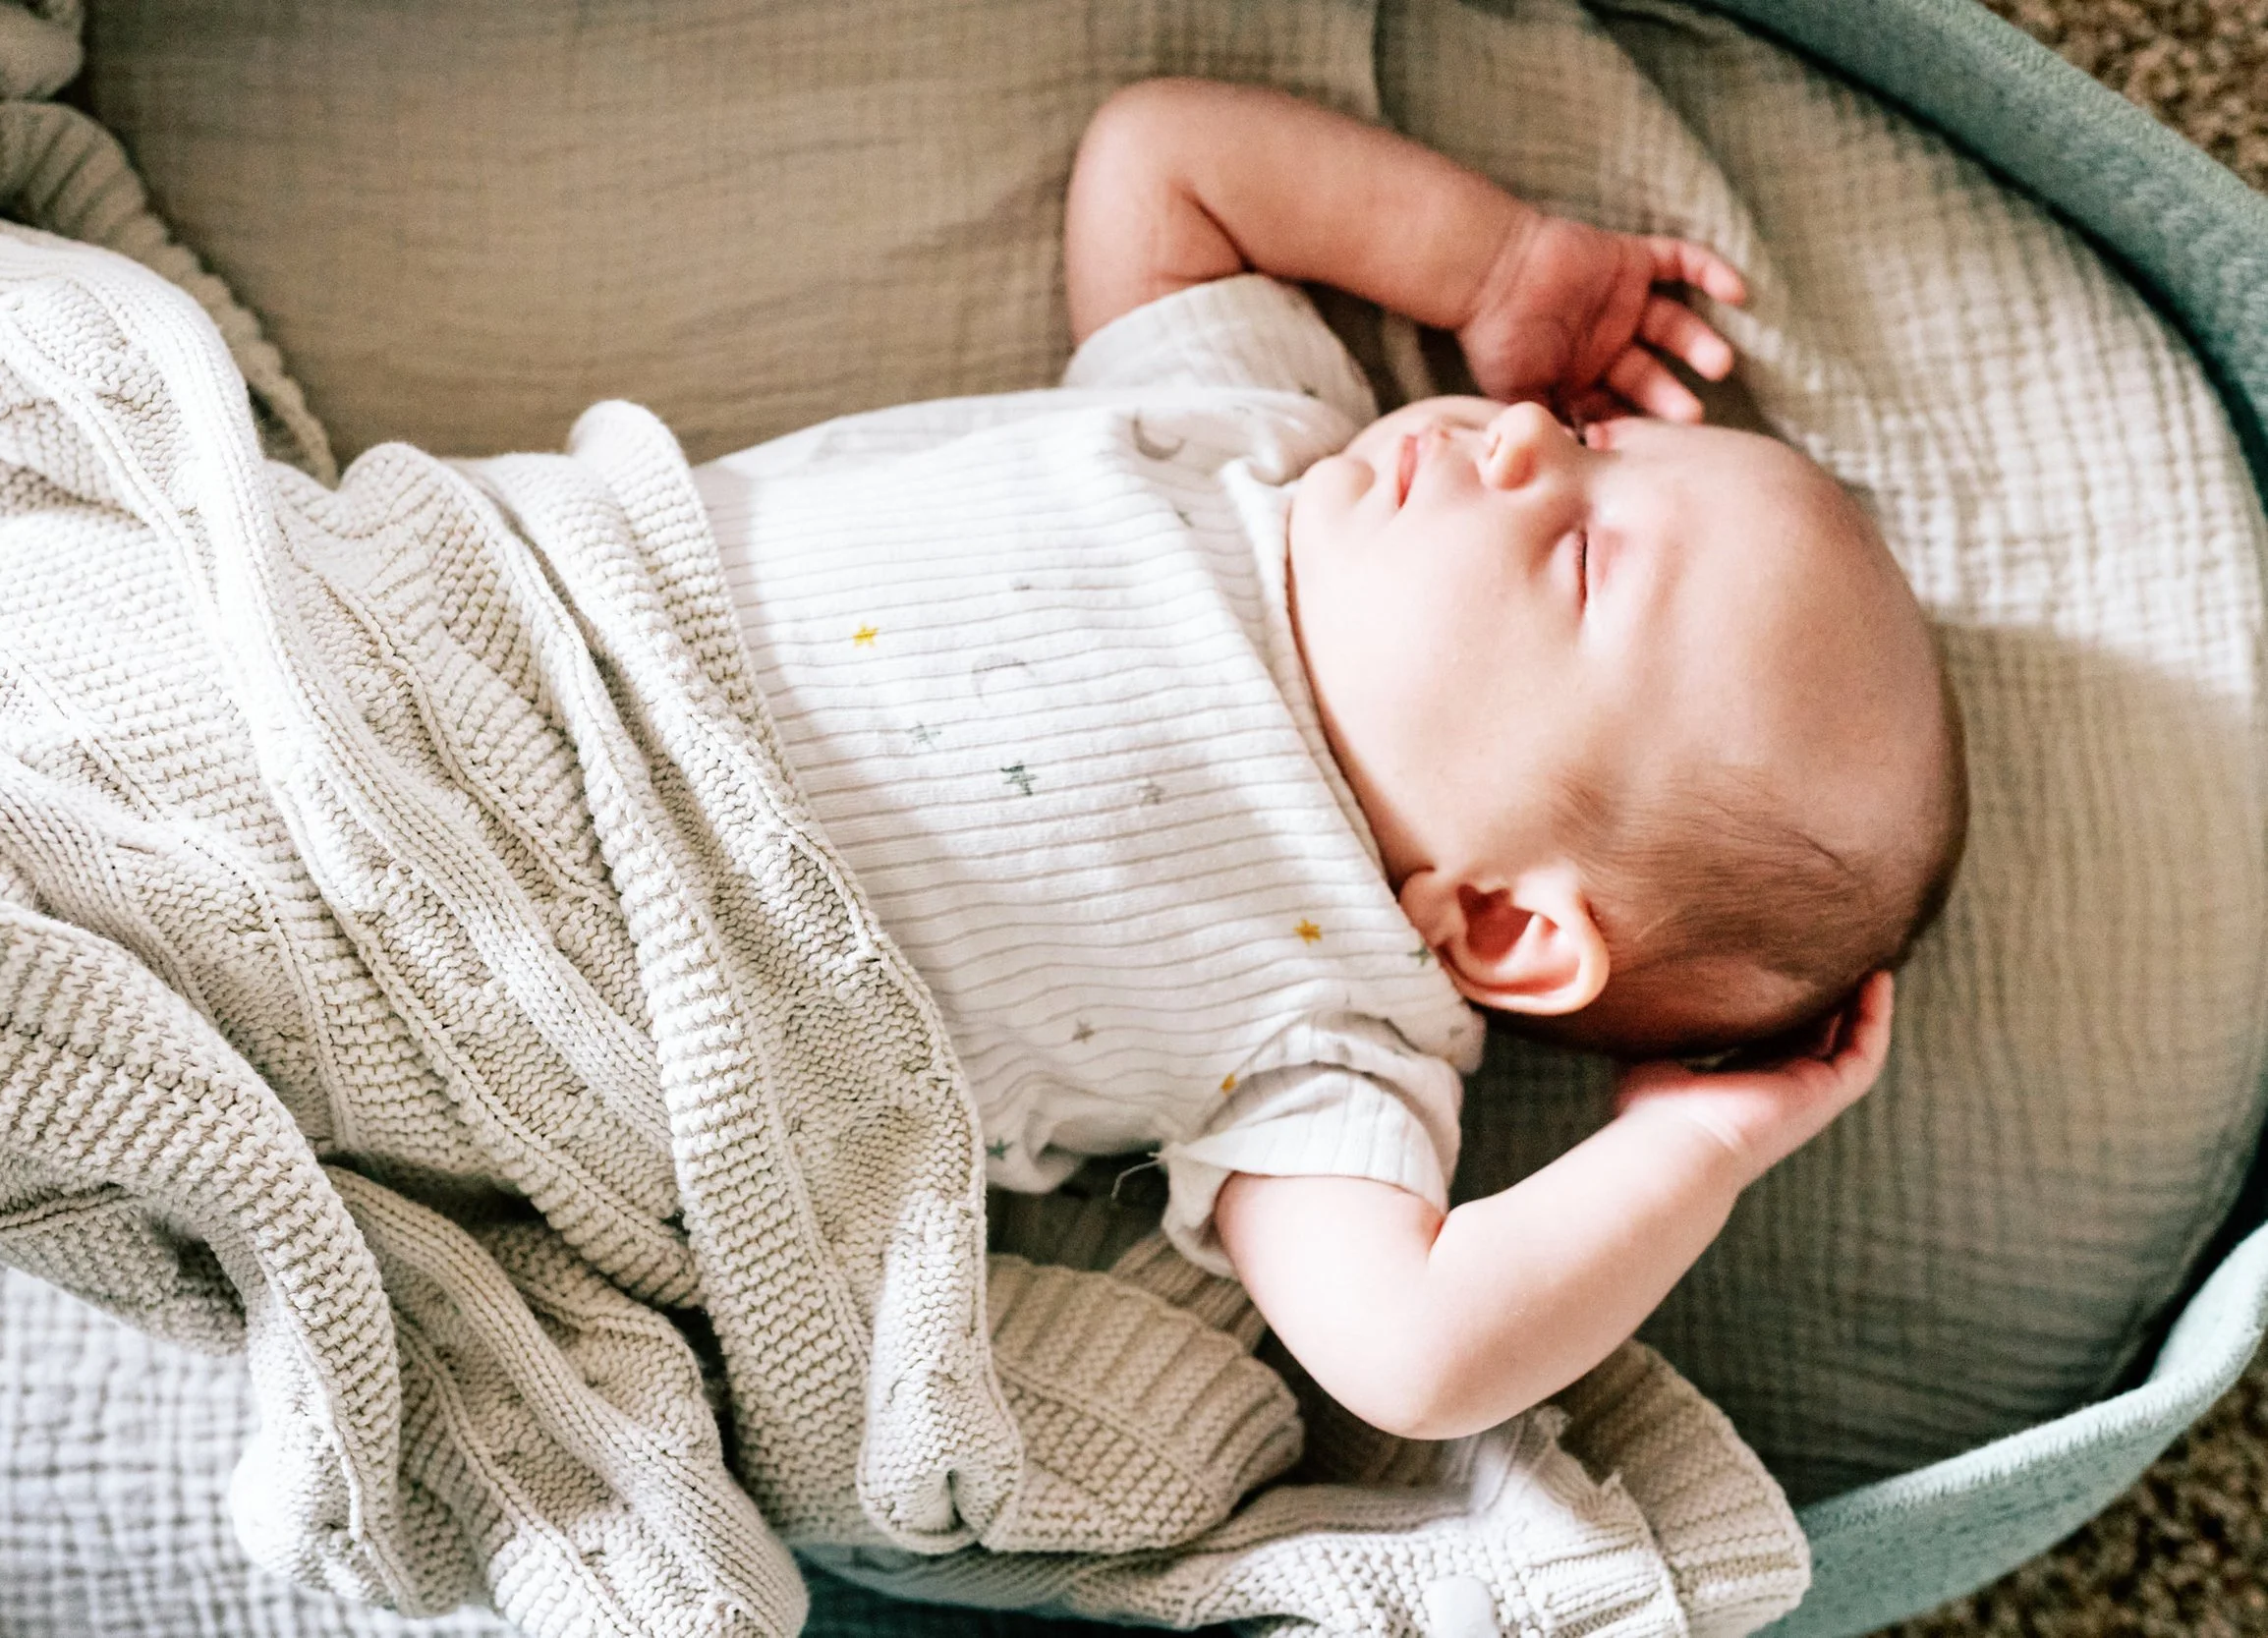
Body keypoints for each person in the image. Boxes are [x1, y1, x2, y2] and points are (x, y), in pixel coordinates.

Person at [692, 76, 1965, 1445]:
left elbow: (1416, 1357)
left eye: (1585, 555)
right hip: (531, 614)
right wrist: (1497, 261)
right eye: (1600, 442)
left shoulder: (1334, 1036)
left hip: (616, 972)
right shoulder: (1266, 426)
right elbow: (1163, 162)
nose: (1526, 433)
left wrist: (1689, 1150)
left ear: (1507, 921)